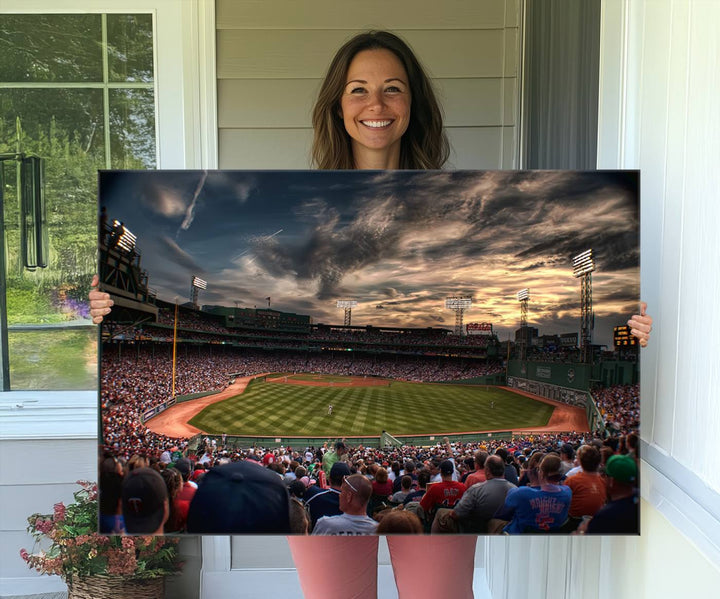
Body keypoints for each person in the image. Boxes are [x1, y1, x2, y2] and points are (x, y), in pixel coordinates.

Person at [88, 28, 653, 599]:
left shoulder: (472, 185)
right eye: (358, 89)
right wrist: (98, 309)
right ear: (337, 105)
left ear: (415, 105)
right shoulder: (298, 188)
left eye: (393, 89)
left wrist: (644, 326)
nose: (375, 104)